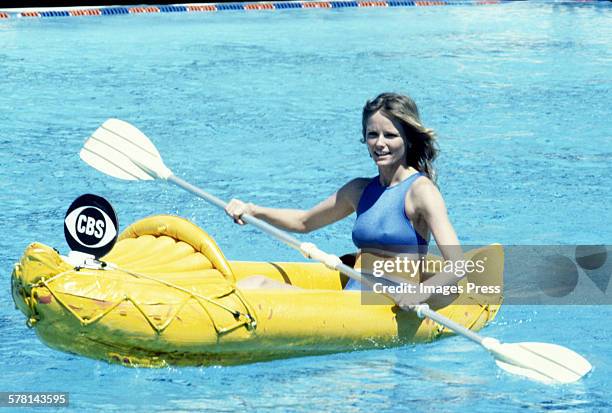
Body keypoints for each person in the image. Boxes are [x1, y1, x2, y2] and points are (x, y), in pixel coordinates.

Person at [225, 92, 465, 308]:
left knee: (256, 287)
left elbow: (457, 265)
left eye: (390, 135)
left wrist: (421, 292)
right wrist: (252, 210)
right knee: (252, 284)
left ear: (408, 139)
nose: (380, 143)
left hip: (393, 305)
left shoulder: (421, 192)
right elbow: (304, 222)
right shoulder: (358, 190)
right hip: (352, 298)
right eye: (372, 135)